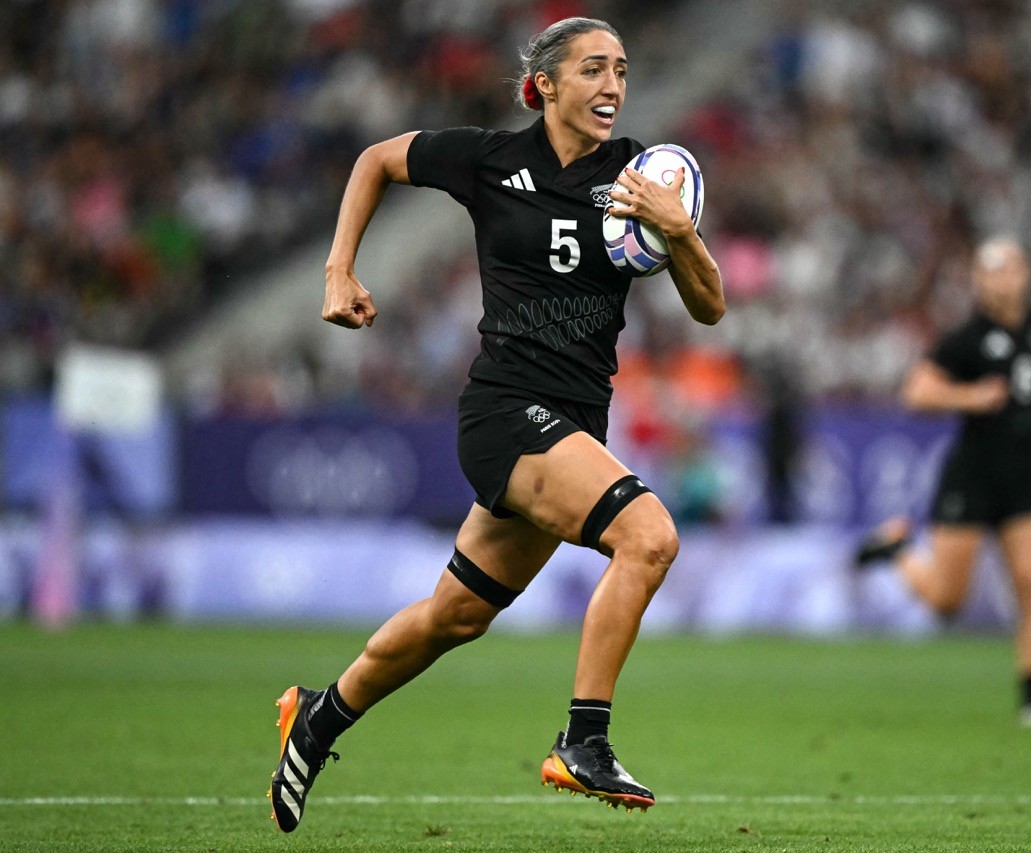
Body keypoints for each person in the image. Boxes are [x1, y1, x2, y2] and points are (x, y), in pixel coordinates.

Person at [267, 17, 723, 833]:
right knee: (648, 536)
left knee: (456, 615)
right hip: (506, 412)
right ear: (545, 85)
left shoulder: (640, 175)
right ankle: (585, 739)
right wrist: (339, 269)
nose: (614, 85)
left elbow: (711, 307)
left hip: (574, 424)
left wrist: (681, 230)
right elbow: (376, 160)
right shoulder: (489, 159)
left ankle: (317, 714)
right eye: (594, 69)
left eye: (622, 70)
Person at [854, 238, 1031, 728]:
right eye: (988, 272)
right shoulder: (965, 339)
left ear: (1025, 275)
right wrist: (970, 396)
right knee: (947, 600)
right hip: (973, 472)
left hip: (1028, 469)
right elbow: (916, 392)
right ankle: (896, 549)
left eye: (1006, 270)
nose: (997, 281)